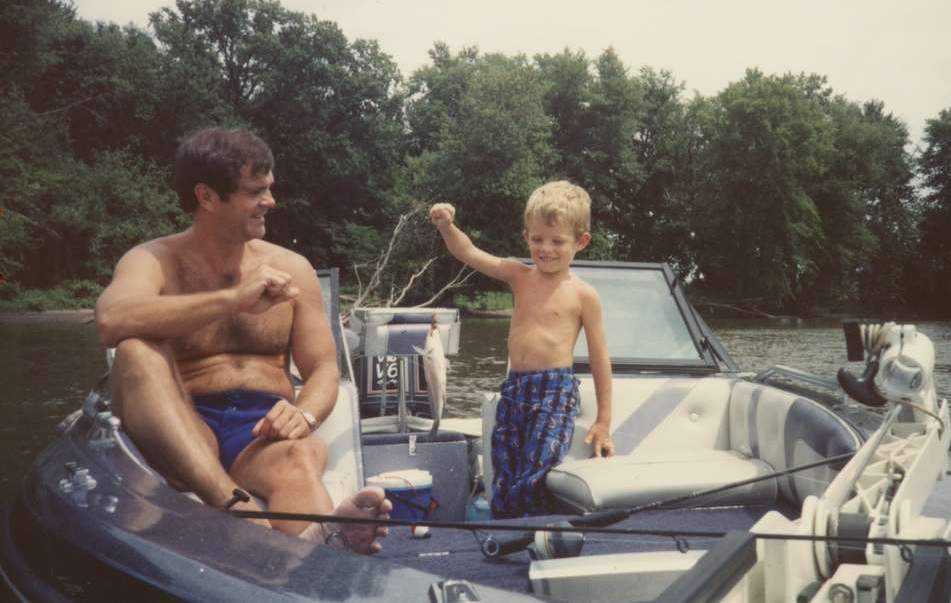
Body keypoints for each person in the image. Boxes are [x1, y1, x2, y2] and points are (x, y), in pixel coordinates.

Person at [95, 126, 390, 552]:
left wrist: (304, 415)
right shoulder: (153, 259)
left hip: (259, 429)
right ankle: (235, 508)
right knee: (135, 351)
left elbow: (325, 368)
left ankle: (325, 548)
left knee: (300, 456)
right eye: (255, 192)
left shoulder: (294, 268)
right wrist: (233, 300)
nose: (270, 201)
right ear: (208, 197)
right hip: (183, 423)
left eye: (269, 189)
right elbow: (111, 319)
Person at [430, 181, 614, 518]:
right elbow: (468, 253)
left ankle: (538, 530)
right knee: (504, 465)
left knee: (537, 468)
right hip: (515, 389)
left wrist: (603, 420)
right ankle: (508, 529)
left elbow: (601, 359)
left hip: (554, 392)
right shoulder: (518, 275)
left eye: (558, 241)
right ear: (526, 234)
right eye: (537, 239)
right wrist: (447, 226)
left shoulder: (584, 295)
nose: (546, 248)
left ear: (581, 241)